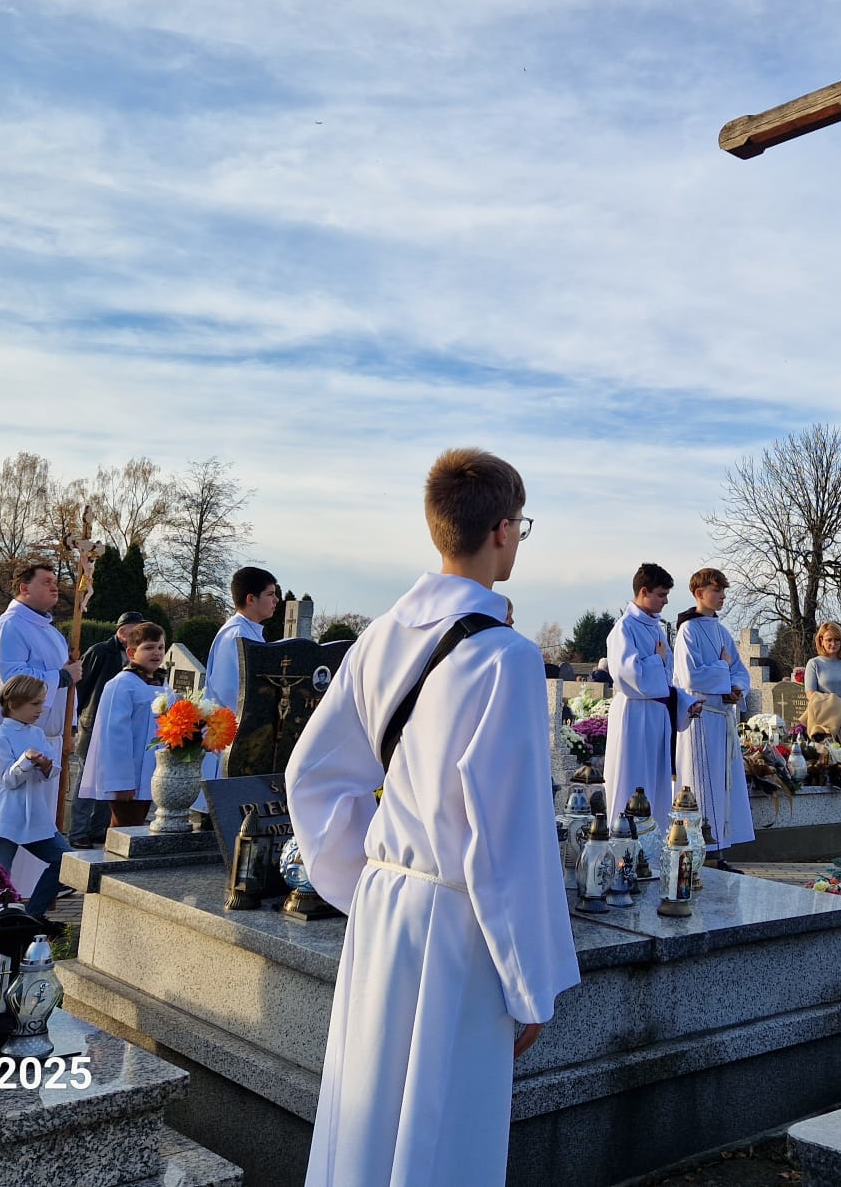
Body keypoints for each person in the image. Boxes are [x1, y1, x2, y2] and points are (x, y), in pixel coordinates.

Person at [284, 447, 578, 1187]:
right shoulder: (506, 657)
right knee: (441, 1132)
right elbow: (505, 835)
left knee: (368, 1116)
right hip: (457, 922)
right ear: (504, 530)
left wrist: (365, 879)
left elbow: (311, 776)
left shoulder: (379, 637)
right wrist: (530, 978)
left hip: (384, 909)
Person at [0, 562, 79, 844]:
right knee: (1, 821)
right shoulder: (8, 628)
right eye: (46, 581)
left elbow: (66, 689)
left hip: (43, 738)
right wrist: (61, 676)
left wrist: (68, 723)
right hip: (8, 740)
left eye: (55, 581)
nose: (54, 586)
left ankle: (34, 881)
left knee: (37, 821)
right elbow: (9, 678)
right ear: (24, 588)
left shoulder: (50, 632)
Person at [604, 564, 703, 840]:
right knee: (632, 781)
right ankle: (624, 847)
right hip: (634, 716)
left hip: (657, 716)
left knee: (657, 785)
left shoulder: (657, 630)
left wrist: (685, 702)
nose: (666, 600)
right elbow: (628, 676)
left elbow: (665, 682)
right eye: (661, 594)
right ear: (644, 591)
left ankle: (653, 847)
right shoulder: (624, 629)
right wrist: (657, 660)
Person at [673, 568, 753, 871]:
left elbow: (740, 671)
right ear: (699, 593)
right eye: (716, 590)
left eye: (723, 590)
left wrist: (736, 689)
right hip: (701, 719)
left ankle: (719, 852)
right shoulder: (688, 631)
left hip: (722, 719)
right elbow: (691, 676)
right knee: (700, 785)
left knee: (722, 788)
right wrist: (723, 667)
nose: (721, 596)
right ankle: (696, 852)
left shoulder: (721, 631)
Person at [0, 673, 73, 919]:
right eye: (35, 704)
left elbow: (48, 774)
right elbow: (9, 779)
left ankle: (33, 915)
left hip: (34, 814)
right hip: (6, 814)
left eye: (41, 703)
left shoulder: (37, 734)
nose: (41, 710)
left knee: (66, 860)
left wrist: (46, 766)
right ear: (13, 704)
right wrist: (27, 760)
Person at [67, 611, 149, 847]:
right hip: (93, 723)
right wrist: (77, 720)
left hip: (119, 725)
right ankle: (78, 831)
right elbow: (82, 688)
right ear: (122, 632)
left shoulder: (138, 657)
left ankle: (98, 828)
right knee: (86, 780)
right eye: (135, 630)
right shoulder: (101, 651)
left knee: (109, 778)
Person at [79, 621, 166, 830]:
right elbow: (114, 737)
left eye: (160, 647)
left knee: (135, 828)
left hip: (151, 775)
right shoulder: (122, 685)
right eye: (148, 648)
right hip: (129, 779)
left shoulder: (160, 684)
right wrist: (122, 782)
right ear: (131, 652)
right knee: (125, 828)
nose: (156, 653)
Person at [203, 566, 280, 798]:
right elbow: (231, 692)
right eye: (270, 594)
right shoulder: (236, 636)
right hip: (232, 741)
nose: (276, 600)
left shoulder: (251, 633)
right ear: (250, 598)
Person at [802, 622, 841, 748]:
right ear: (821, 640)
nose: (833, 643)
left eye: (837, 640)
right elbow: (811, 693)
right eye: (829, 640)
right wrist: (834, 709)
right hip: (822, 721)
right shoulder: (814, 664)